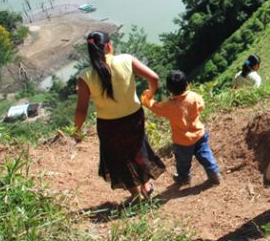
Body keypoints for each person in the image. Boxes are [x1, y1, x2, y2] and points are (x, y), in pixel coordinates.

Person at [73, 31, 165, 205]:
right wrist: (149, 93)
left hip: (109, 125)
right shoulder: (126, 60)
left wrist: (76, 130)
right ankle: (146, 187)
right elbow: (154, 77)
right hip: (134, 117)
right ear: (109, 45)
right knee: (137, 150)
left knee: (118, 158)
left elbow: (81, 110)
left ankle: (136, 195)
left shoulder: (85, 76)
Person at [141, 70, 222, 187]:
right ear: (187, 84)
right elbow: (201, 106)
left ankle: (184, 178)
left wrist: (146, 98)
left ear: (169, 90)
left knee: (183, 162)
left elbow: (155, 107)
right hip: (199, 135)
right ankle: (214, 173)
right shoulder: (194, 96)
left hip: (182, 141)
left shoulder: (168, 105)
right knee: (205, 154)